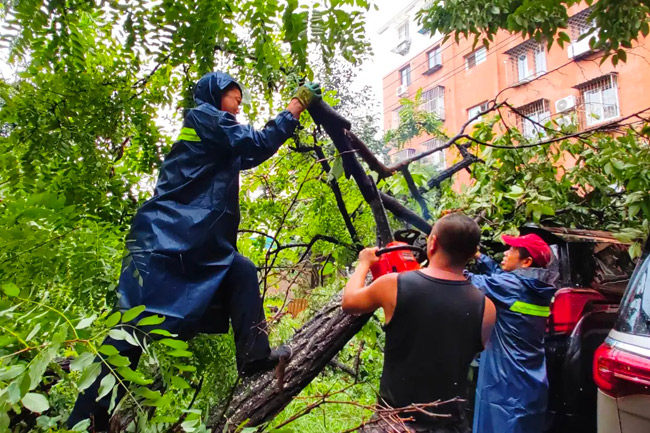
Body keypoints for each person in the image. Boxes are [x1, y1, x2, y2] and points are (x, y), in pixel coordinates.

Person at [67, 72, 322, 430]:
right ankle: (84, 421)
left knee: (242, 272)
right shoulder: (204, 116)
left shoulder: (216, 133)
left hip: (190, 242)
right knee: (130, 335)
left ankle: (254, 355)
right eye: (234, 97)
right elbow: (256, 142)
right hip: (166, 241)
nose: (238, 105)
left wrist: (286, 121)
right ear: (215, 96)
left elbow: (250, 153)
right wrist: (294, 108)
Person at [341, 213, 496, 433]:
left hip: (395, 423)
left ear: (432, 243)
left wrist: (364, 263)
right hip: (451, 425)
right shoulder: (486, 307)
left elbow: (349, 302)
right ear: (472, 254)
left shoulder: (394, 285)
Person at [467, 233, 559, 433]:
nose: (506, 253)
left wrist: (452, 253)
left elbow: (466, 280)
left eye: (512, 250)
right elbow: (500, 278)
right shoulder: (538, 287)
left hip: (506, 382)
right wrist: (478, 255)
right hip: (531, 380)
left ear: (526, 262)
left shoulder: (510, 286)